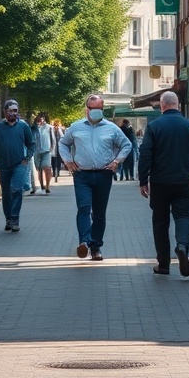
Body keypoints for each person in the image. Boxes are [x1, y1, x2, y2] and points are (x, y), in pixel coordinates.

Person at [138, 92, 189, 277]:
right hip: (184, 181)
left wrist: (143, 180)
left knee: (160, 221)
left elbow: (145, 153)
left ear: (162, 106)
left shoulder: (154, 126)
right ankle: (182, 246)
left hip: (160, 181)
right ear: (178, 105)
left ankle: (163, 264)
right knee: (183, 215)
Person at [58, 94, 132, 261]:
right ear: (87, 109)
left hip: (103, 174)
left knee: (99, 213)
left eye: (100, 108)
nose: (97, 111)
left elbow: (126, 145)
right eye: (94, 109)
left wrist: (116, 162)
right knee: (83, 208)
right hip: (82, 174)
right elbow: (63, 143)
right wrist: (67, 161)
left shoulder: (112, 128)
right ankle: (84, 242)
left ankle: (96, 246)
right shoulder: (76, 127)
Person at [0, 99, 36, 232]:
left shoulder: (23, 126)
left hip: (19, 165)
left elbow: (31, 144)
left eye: (15, 110)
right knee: (6, 194)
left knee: (17, 190)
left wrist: (27, 158)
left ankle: (15, 219)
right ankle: (8, 218)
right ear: (5, 112)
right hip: (3, 166)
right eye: (10, 111)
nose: (13, 113)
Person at [32, 113, 54, 194]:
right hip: (36, 151)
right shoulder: (33, 128)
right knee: (39, 169)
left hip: (46, 150)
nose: (41, 120)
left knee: (47, 167)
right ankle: (42, 186)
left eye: (42, 118)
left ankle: (47, 186)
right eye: (39, 118)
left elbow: (52, 139)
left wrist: (52, 149)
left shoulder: (49, 127)